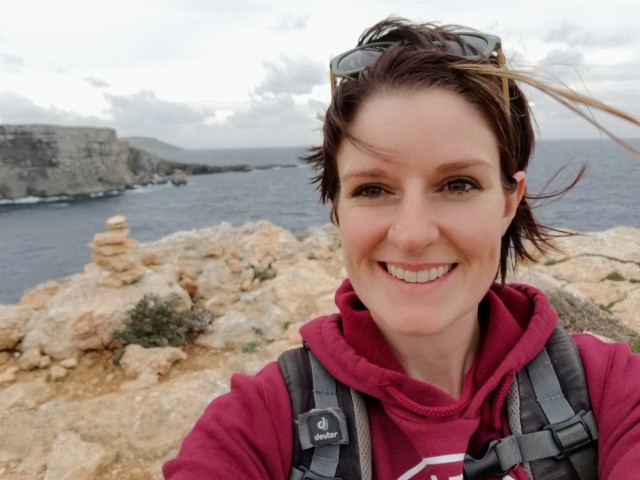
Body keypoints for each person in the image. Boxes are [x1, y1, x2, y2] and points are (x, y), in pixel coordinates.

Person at [163, 17, 640, 479]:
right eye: (372, 189)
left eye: (458, 184)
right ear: (337, 209)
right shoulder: (261, 422)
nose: (412, 235)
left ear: (508, 202)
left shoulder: (610, 389)